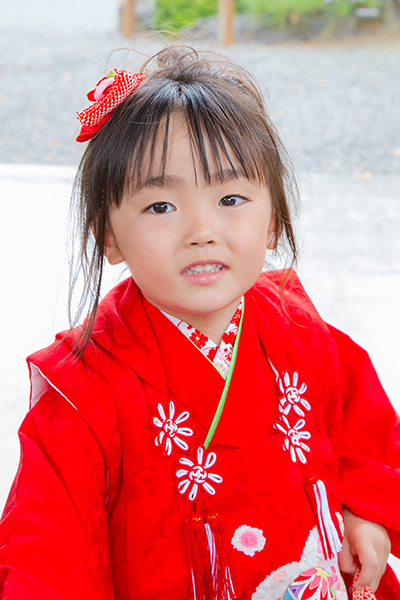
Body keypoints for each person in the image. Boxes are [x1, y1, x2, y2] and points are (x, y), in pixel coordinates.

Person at [0, 45, 399, 600]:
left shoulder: (301, 330)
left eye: (231, 197)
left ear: (273, 221)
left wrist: (364, 514)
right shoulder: (82, 388)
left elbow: (365, 438)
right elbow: (45, 553)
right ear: (108, 235)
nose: (202, 230)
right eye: (160, 207)